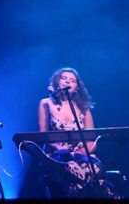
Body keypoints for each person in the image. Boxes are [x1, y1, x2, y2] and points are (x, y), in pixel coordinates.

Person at [37, 67, 103, 195]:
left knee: (95, 169)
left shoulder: (84, 108)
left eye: (72, 80)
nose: (67, 82)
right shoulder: (45, 103)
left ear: (77, 87)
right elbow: (43, 134)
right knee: (71, 168)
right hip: (56, 155)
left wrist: (81, 152)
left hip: (81, 155)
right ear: (57, 82)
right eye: (64, 78)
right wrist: (60, 149)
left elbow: (91, 140)